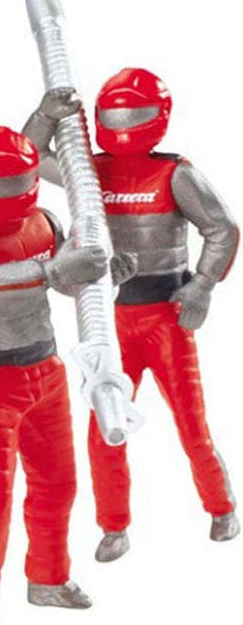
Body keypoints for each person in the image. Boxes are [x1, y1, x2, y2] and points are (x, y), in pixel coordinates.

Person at [24, 73, 239, 561]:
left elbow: (222, 228)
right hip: (109, 317)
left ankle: (221, 506)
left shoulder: (175, 174)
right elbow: (29, 159)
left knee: (191, 423)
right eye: (114, 115)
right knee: (106, 424)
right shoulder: (88, 171)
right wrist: (46, 114)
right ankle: (114, 526)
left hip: (166, 317)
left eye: (131, 115)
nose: (122, 125)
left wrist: (202, 285)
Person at [0, 122, 132, 625]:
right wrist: (47, 272)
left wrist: (105, 272)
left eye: (16, 180)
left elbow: (67, 279)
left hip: (44, 367)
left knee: (58, 483)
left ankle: (48, 578)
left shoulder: (46, 221)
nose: (8, 191)